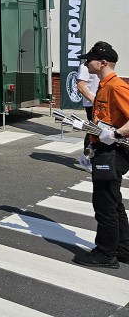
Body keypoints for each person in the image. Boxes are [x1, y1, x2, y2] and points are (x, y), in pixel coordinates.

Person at [72, 42, 129, 269]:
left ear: (103, 62)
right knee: (113, 201)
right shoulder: (104, 86)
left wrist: (115, 133)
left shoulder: (115, 87)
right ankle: (124, 249)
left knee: (104, 203)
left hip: (113, 151)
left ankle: (106, 254)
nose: (86, 63)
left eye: (90, 59)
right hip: (104, 149)